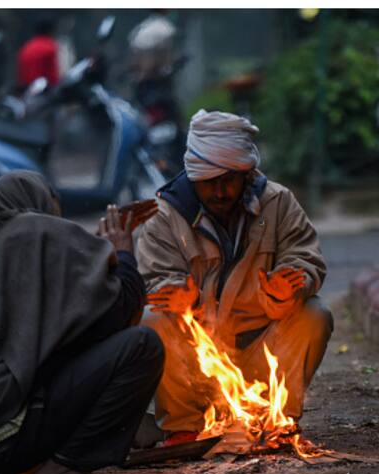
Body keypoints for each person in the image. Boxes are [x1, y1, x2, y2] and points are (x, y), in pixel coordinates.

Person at [0, 170, 163, 474]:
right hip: (4, 434)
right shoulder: (32, 231)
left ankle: (19, 465)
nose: (58, 217)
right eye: (54, 206)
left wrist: (93, 250)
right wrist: (122, 252)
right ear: (39, 201)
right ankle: (63, 469)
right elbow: (122, 309)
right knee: (142, 346)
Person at [136, 109, 333, 446]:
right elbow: (154, 280)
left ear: (247, 173)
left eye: (229, 179)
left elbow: (305, 257)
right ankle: (184, 428)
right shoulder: (163, 216)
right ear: (193, 176)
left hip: (261, 354)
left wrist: (292, 286)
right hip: (197, 366)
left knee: (314, 315)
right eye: (209, 181)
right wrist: (182, 298)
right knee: (152, 318)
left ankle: (276, 422)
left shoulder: (278, 203)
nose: (221, 192)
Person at [17, 19, 61, 90]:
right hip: (43, 90)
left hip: (26, 88)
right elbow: (52, 75)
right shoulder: (50, 47)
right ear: (50, 31)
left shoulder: (27, 46)